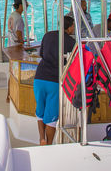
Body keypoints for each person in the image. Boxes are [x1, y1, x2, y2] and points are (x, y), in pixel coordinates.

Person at [34, 15, 76, 146]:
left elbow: (41, 54)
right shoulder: (71, 42)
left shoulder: (48, 35)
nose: (74, 29)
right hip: (54, 81)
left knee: (40, 110)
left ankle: (42, 139)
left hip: (39, 78)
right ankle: (49, 143)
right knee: (51, 117)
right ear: (69, 28)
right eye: (73, 26)